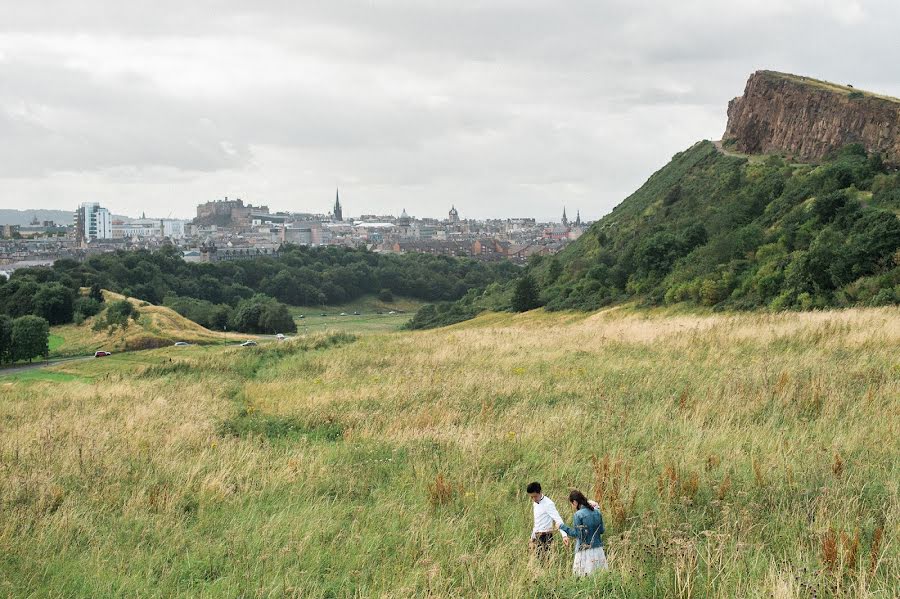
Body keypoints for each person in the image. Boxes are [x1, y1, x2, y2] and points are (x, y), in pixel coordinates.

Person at [558, 489, 607, 576]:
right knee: (600, 576)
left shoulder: (578, 514)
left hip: (584, 551)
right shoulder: (597, 512)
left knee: (583, 577)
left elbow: (578, 535)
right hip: (598, 549)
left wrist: (562, 527)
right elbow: (602, 530)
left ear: (575, 502)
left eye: (572, 504)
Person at [526, 481, 568, 560]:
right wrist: (532, 537)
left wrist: (564, 535)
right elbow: (537, 523)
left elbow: (558, 520)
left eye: (535, 496)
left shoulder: (548, 504)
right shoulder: (535, 503)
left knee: (545, 561)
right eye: (531, 497)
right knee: (538, 561)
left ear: (540, 492)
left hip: (546, 537)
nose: (533, 499)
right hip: (537, 536)